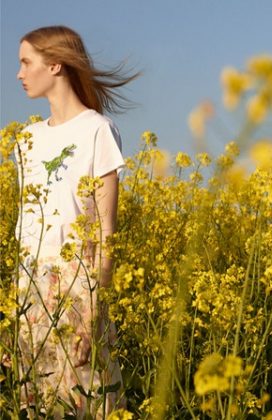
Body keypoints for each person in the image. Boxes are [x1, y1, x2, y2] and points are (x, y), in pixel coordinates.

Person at [14, 25, 137, 417]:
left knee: (87, 404)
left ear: (55, 65)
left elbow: (105, 232)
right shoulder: (25, 140)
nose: (18, 74)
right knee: (35, 404)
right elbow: (24, 229)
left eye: (25, 62)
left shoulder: (97, 130)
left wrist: (91, 314)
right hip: (28, 284)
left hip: (77, 287)